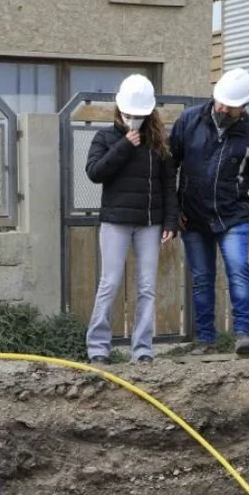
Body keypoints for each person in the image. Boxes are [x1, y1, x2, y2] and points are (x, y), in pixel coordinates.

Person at [170, 66, 249, 357]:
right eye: (220, 101)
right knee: (202, 278)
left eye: (230, 105)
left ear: (243, 107)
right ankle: (206, 340)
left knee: (238, 272)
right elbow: (169, 166)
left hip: (233, 217)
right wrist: (175, 209)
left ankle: (243, 333)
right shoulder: (189, 121)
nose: (222, 108)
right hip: (193, 217)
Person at [84, 74, 179, 366]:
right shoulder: (105, 137)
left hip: (149, 223)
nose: (133, 119)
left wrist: (170, 222)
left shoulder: (159, 143)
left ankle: (142, 350)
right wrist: (125, 145)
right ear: (119, 110)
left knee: (147, 286)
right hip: (116, 221)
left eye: (139, 115)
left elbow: (168, 184)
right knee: (110, 283)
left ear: (149, 112)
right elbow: (95, 173)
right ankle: (98, 349)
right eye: (128, 114)